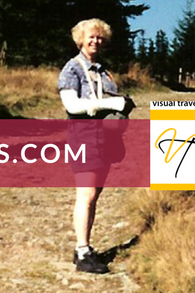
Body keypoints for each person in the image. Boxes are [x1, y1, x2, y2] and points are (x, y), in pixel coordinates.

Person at [58, 18, 134, 275]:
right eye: (91, 36)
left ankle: (85, 246)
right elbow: (72, 106)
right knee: (86, 194)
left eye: (100, 37)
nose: (95, 41)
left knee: (95, 195)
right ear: (80, 39)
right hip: (83, 137)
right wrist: (112, 105)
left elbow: (109, 100)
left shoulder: (103, 72)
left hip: (106, 139)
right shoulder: (72, 68)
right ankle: (82, 251)